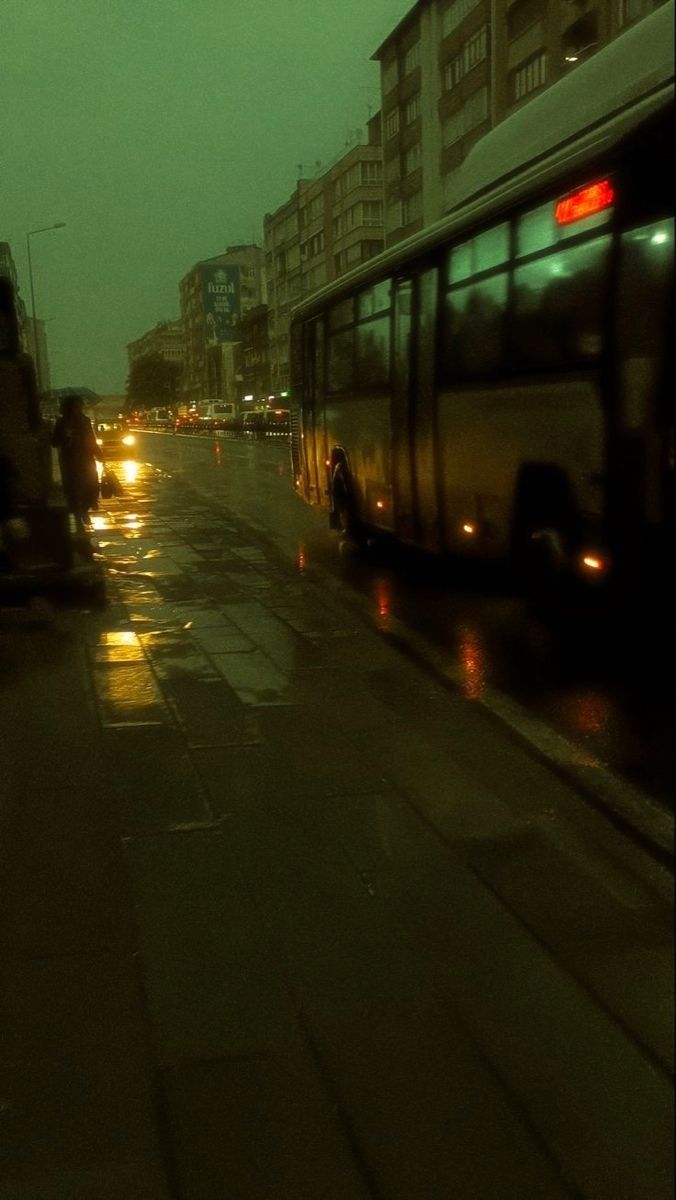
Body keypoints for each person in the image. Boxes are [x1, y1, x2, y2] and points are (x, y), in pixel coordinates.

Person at [51, 394, 102, 531]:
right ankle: (78, 515)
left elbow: (91, 438)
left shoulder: (85, 420)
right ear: (69, 407)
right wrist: (66, 437)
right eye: (76, 405)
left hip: (87, 458)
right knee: (75, 488)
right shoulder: (62, 422)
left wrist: (98, 453)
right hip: (70, 460)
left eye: (80, 405)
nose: (79, 408)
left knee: (92, 485)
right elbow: (54, 442)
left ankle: (85, 508)